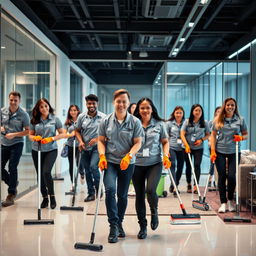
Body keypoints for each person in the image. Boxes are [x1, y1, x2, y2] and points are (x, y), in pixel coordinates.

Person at [98, 89, 143, 243]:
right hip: (110, 162)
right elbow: (101, 141)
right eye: (118, 101)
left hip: (127, 163)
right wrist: (102, 156)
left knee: (122, 195)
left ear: (128, 103)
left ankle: (119, 222)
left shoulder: (135, 122)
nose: (121, 104)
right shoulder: (105, 121)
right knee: (110, 190)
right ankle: (113, 226)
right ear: (114, 102)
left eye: (124, 101)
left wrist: (129, 155)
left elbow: (138, 142)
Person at [132, 98, 171, 239]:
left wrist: (166, 156)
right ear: (138, 110)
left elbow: (165, 142)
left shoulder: (160, 124)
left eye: (147, 107)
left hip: (155, 163)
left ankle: (154, 211)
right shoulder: (133, 123)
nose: (145, 110)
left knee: (151, 190)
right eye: (142, 108)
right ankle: (142, 226)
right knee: (139, 195)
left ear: (152, 109)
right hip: (136, 164)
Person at [210, 98, 248, 213]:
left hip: (234, 152)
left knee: (231, 176)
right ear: (224, 106)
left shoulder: (240, 120)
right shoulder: (218, 119)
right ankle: (223, 203)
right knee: (222, 176)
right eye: (228, 105)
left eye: (232, 105)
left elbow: (246, 134)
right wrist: (212, 151)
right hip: (220, 151)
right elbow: (213, 135)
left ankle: (230, 200)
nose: (230, 107)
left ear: (235, 106)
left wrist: (241, 137)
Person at [29, 98, 65, 209]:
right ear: (38, 109)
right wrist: (35, 137)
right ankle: (44, 198)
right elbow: (30, 135)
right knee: (40, 175)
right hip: (37, 150)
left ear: (49, 106)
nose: (44, 108)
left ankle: (52, 197)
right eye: (41, 107)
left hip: (51, 150)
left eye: (46, 106)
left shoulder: (55, 119)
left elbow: (63, 133)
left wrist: (51, 138)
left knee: (46, 172)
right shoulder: (34, 120)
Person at [1, 91, 30, 207]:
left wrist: (14, 135)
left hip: (17, 143)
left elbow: (28, 131)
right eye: (11, 100)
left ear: (19, 101)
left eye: (15, 100)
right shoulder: (2, 111)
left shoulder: (24, 115)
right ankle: (12, 182)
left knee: (12, 167)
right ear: (9, 99)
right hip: (3, 143)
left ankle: (11, 194)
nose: (13, 102)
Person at [75, 94, 105, 202]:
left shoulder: (103, 117)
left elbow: (107, 134)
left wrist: (97, 139)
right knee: (87, 171)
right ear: (86, 104)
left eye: (93, 103)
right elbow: (77, 131)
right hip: (84, 148)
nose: (91, 105)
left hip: (97, 148)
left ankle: (99, 190)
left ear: (97, 104)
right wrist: (80, 141)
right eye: (89, 103)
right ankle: (91, 193)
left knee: (93, 167)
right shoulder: (81, 117)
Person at [180, 104, 210, 194]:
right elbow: (182, 134)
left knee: (197, 165)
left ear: (202, 112)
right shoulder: (187, 121)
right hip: (187, 147)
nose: (197, 112)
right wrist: (186, 145)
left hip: (198, 148)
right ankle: (189, 183)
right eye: (196, 110)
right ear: (192, 112)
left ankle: (196, 185)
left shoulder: (204, 123)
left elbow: (208, 134)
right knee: (189, 166)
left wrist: (201, 140)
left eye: (199, 111)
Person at [166, 106, 185, 195]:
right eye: (177, 112)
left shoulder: (186, 123)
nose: (178, 114)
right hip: (172, 147)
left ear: (183, 114)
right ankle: (175, 186)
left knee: (180, 167)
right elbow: (166, 137)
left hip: (182, 148)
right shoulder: (169, 123)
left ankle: (174, 184)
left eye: (180, 113)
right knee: (172, 165)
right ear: (174, 113)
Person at [63, 105, 81, 190]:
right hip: (70, 145)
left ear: (78, 111)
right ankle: (73, 184)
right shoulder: (67, 123)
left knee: (79, 164)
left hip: (79, 146)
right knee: (71, 165)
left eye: (74, 110)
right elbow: (64, 134)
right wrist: (71, 134)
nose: (73, 112)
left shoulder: (81, 120)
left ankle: (82, 173)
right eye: (71, 110)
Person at [208, 106, 221, 188]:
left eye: (220, 111)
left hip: (221, 145)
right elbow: (209, 134)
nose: (219, 113)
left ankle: (218, 180)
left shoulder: (224, 122)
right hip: (212, 145)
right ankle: (210, 179)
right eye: (217, 111)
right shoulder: (211, 122)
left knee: (220, 164)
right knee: (212, 163)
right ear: (215, 112)